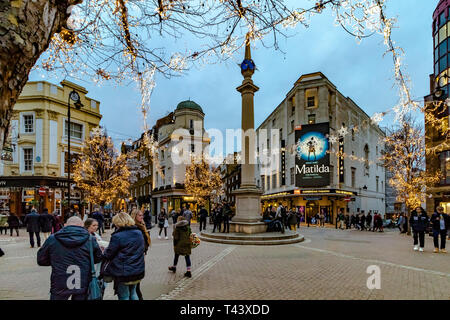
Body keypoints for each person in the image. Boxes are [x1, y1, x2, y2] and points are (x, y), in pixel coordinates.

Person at [37, 216, 102, 300]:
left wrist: (55, 261)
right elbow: (98, 258)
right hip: (82, 280)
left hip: (60, 280)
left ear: (65, 225)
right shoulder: (90, 239)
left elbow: (41, 260)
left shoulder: (53, 238)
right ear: (82, 225)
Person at [102, 212, 145, 300]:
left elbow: (109, 254)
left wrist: (103, 251)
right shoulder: (138, 232)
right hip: (137, 269)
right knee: (133, 293)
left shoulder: (117, 236)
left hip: (123, 272)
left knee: (124, 296)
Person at [130, 209, 151, 300]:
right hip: (136, 256)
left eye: (142, 215)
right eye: (139, 215)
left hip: (141, 255)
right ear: (134, 216)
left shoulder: (141, 226)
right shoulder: (135, 227)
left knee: (137, 281)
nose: (142, 217)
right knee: (136, 282)